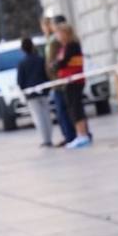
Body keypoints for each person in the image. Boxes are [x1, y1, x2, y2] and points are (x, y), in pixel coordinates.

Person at [53, 21, 91, 148]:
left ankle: (82, 135)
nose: (57, 36)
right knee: (73, 107)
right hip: (69, 81)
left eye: (58, 33)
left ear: (65, 33)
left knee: (76, 108)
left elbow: (62, 63)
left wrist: (56, 64)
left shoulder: (72, 45)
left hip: (74, 80)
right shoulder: (65, 46)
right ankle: (81, 134)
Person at [42, 11, 77, 144]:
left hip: (61, 80)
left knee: (65, 110)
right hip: (56, 80)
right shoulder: (51, 40)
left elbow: (58, 60)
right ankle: (68, 135)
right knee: (61, 110)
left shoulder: (57, 42)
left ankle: (71, 136)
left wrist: (53, 69)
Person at [16, 38, 53, 147]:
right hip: (43, 91)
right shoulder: (40, 60)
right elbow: (46, 75)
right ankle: (49, 137)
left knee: (38, 117)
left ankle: (45, 139)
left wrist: (24, 90)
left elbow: (20, 81)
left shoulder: (22, 63)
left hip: (31, 94)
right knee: (46, 115)